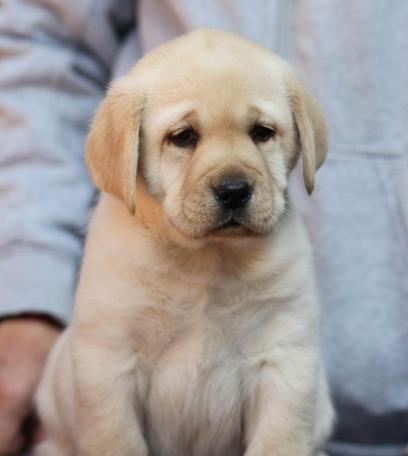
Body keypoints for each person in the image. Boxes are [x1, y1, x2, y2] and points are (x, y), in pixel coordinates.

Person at [0, 1, 407, 455]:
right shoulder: (115, 241)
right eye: (183, 136)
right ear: (126, 149)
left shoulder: (283, 249)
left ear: (302, 139)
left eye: (261, 132)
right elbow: (102, 372)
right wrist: (28, 279)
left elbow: (288, 367)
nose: (232, 181)